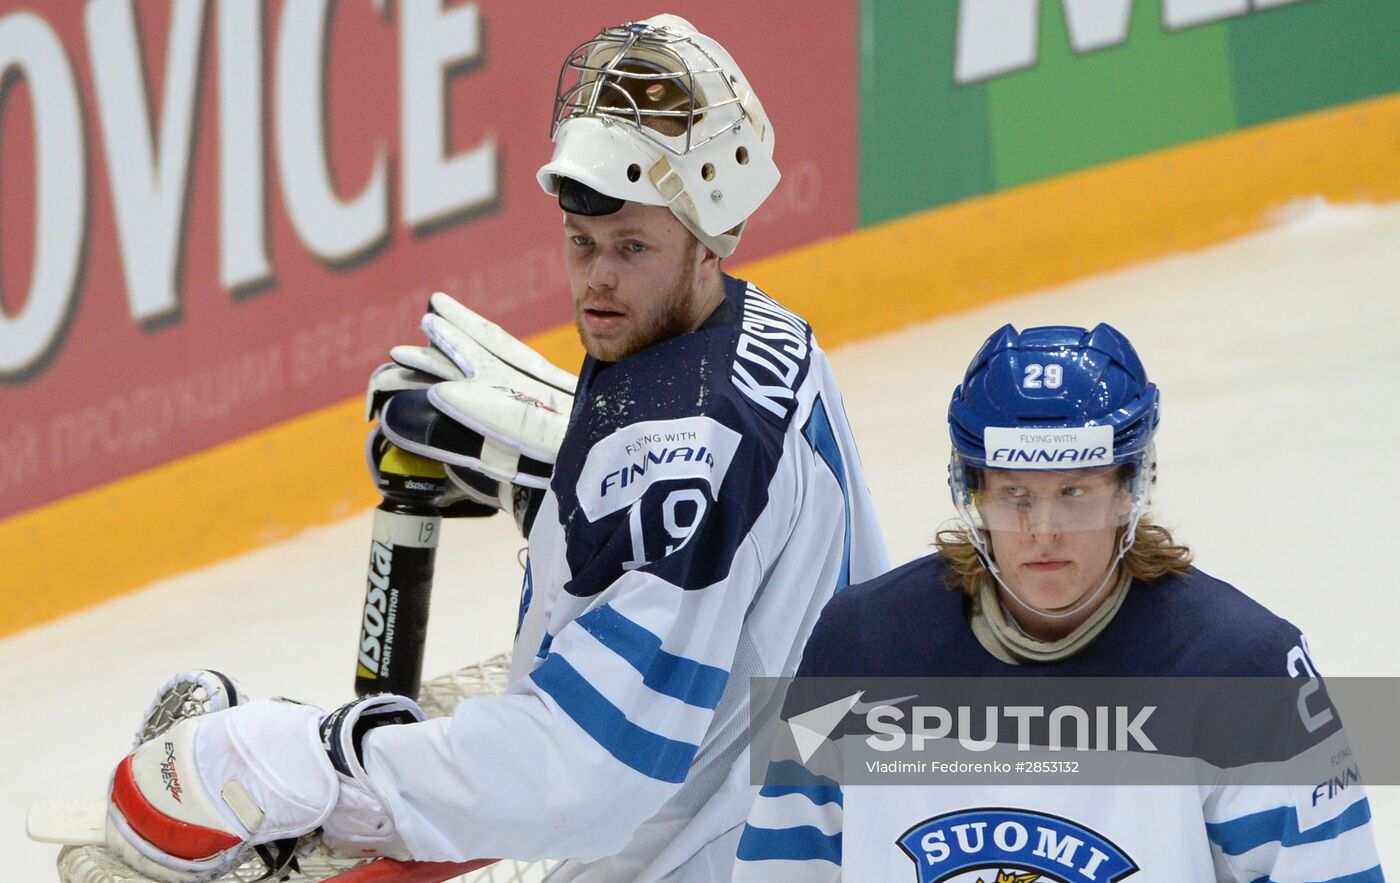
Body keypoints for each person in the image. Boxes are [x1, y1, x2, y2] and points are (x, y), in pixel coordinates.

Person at [100, 14, 889, 883]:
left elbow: (585, 773)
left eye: (633, 247)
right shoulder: (760, 333)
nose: (597, 279)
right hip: (809, 801)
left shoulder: (690, 448)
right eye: (582, 242)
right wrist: (580, 496)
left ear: (709, 242)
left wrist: (316, 761)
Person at [734, 323, 1384, 881]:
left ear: (1129, 489)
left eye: (1074, 491)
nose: (1043, 530)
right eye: (1016, 493)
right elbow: (783, 866)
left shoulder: (1242, 667)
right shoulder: (861, 646)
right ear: (976, 492)